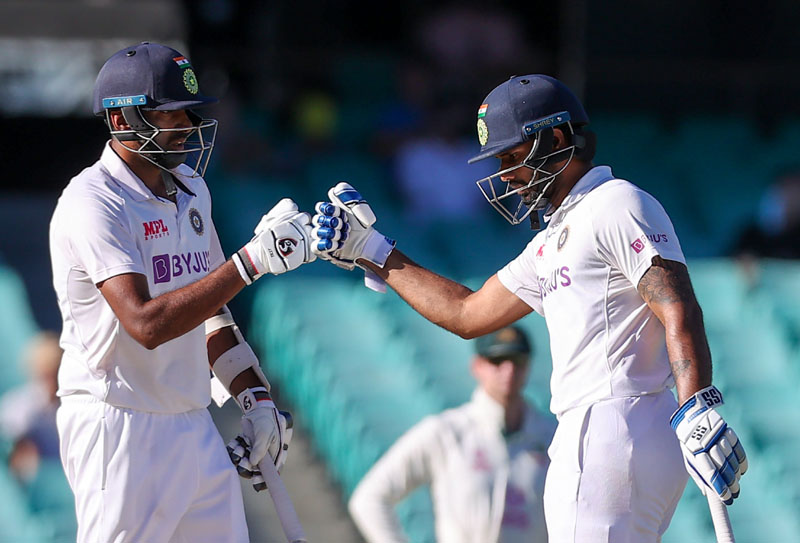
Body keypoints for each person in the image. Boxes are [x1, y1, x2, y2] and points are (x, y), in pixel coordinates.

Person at [311, 74, 748, 541]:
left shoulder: (615, 202)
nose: (504, 174)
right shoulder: (551, 239)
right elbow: (467, 313)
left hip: (611, 425)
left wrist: (696, 406)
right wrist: (373, 251)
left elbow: (678, 307)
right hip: (614, 430)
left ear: (556, 140)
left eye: (511, 157)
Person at [48, 42, 316, 543]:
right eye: (170, 113)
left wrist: (254, 397)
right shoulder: (93, 201)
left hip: (191, 420)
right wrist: (252, 261)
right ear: (122, 119)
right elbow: (145, 324)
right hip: (119, 423)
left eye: (189, 112)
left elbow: (211, 311)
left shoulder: (192, 187)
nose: (187, 125)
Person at [348, 325, 555, 543]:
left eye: (517, 360)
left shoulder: (551, 437)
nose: (508, 369)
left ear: (528, 365)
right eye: (497, 360)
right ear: (477, 366)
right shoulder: (447, 432)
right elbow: (369, 499)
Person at [0, 331, 63, 480]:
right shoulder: (15, 410)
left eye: (55, 373)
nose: (52, 381)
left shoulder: (74, 407)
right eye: (46, 374)